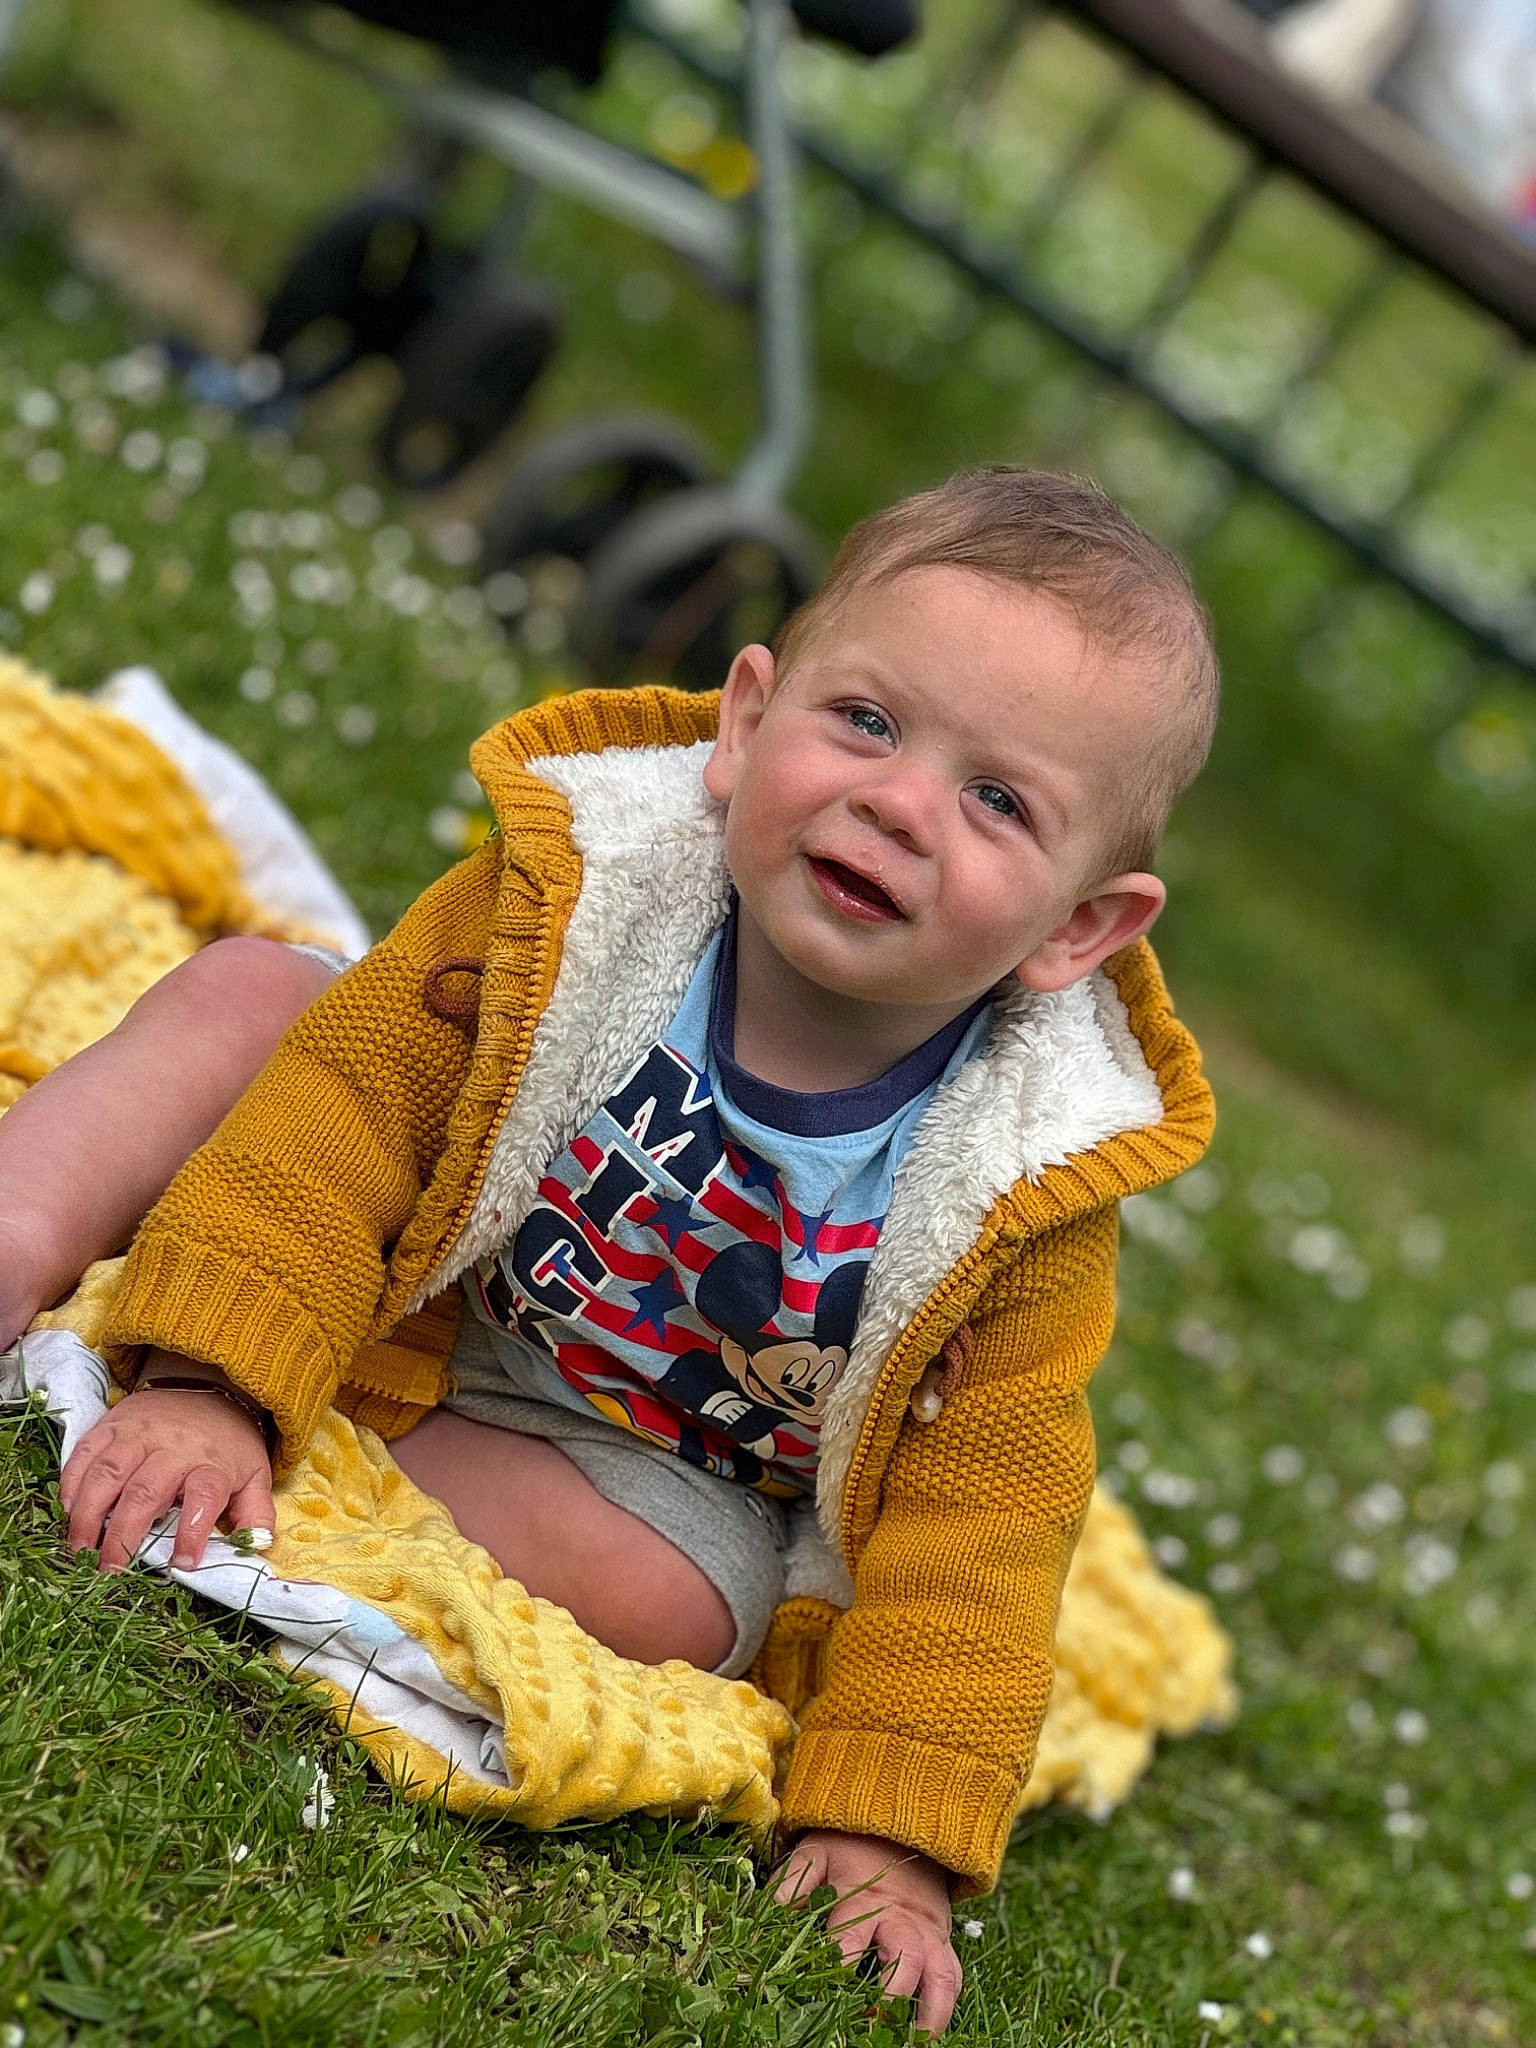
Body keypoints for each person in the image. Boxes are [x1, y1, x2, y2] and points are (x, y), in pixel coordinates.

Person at [3, 467, 1218, 2035]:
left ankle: (321, 1452)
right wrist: (212, 1380)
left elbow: (984, 1523)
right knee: (262, 1001)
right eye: (865, 722)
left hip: (654, 1459)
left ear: (1077, 929)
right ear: (746, 721)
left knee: (672, 1602)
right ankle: (40, 1236)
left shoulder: (1023, 1190)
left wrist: (889, 1837)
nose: (900, 804)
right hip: (432, 1265)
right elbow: (351, 1121)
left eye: (1000, 803)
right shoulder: (581, 886)